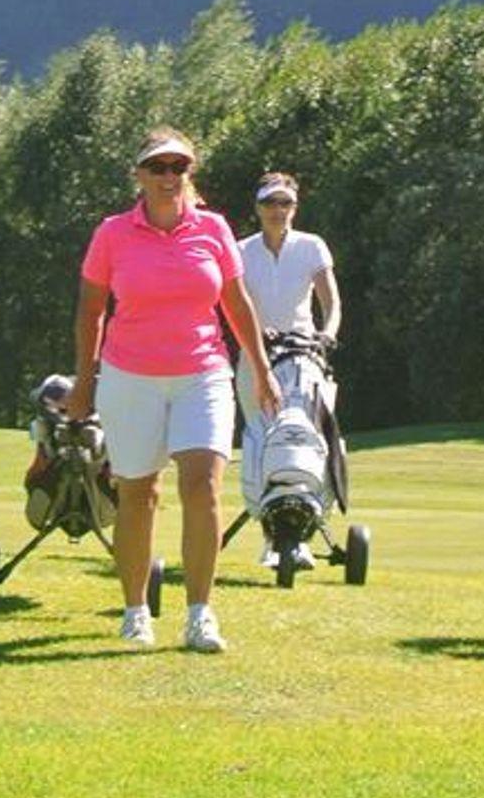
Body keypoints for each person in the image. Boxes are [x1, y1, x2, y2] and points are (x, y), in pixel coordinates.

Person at [68, 129, 279, 652]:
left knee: (202, 486)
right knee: (138, 495)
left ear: (189, 173)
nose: (168, 177)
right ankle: (136, 611)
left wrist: (261, 368)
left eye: (178, 167)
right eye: (158, 167)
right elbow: (91, 312)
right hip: (129, 376)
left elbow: (236, 304)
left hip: (202, 373)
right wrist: (84, 381)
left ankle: (200, 615)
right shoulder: (113, 233)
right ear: (139, 175)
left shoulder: (213, 228)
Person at [235, 171, 341, 570]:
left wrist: (327, 334)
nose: (277, 210)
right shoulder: (241, 251)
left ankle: (304, 531)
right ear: (258, 207)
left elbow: (331, 302)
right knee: (262, 442)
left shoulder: (311, 246)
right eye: (269, 203)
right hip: (255, 358)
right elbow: (233, 303)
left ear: (294, 207)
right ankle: (273, 538)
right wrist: (255, 333)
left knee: (308, 440)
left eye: (285, 203)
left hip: (304, 358)